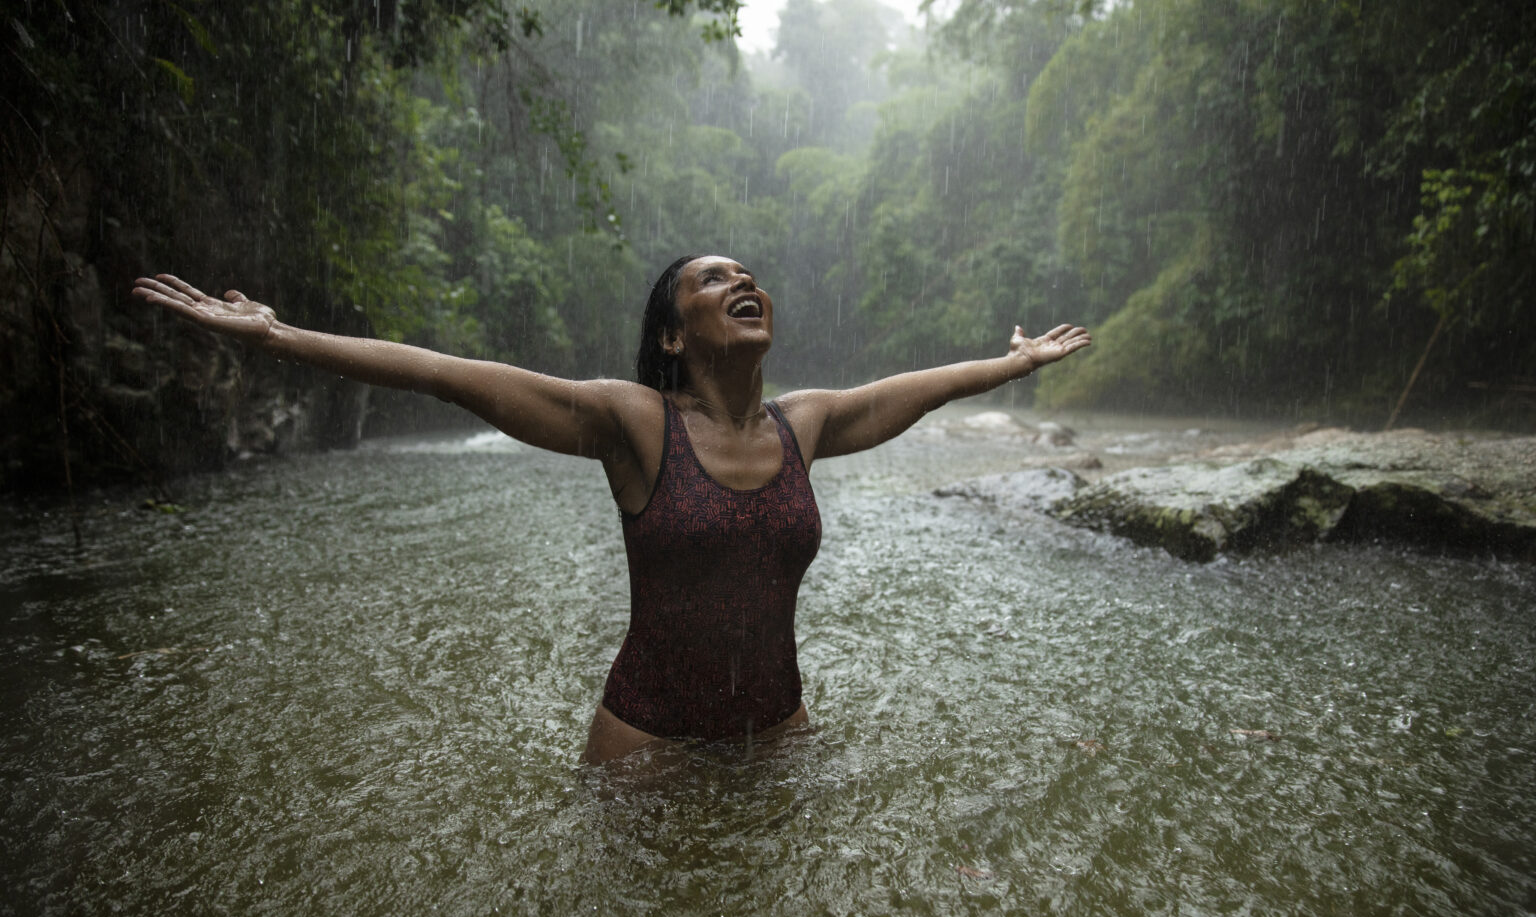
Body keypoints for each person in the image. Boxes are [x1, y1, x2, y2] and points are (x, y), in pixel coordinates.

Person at [134, 255, 1090, 763]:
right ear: (674, 336)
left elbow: (916, 387)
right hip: (650, 747)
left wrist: (1013, 364)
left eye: (747, 275)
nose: (742, 282)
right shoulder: (632, 423)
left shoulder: (806, 425)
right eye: (714, 280)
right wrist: (278, 335)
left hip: (779, 732)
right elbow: (449, 375)